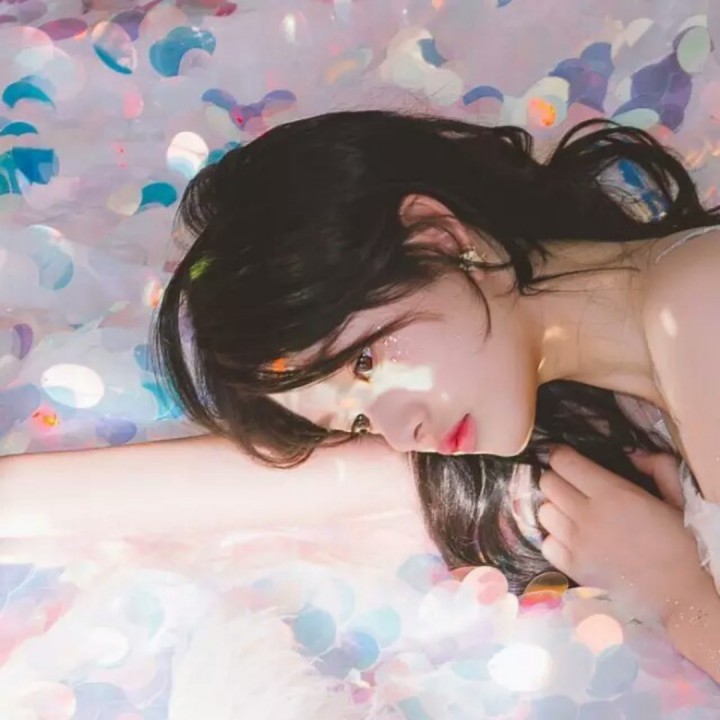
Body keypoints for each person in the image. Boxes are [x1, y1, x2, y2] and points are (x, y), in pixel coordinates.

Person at [3, 111, 720, 679]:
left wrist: (674, 593)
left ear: (436, 237)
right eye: (356, 418)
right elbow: (283, 483)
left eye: (367, 364)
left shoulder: (696, 305)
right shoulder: (610, 391)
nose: (399, 430)